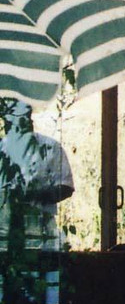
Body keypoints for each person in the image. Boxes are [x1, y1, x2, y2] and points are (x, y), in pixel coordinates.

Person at [0, 100, 75, 251]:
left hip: (41, 233)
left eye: (25, 118)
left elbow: (66, 187)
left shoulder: (50, 147)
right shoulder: (2, 150)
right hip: (3, 237)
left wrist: (35, 195)